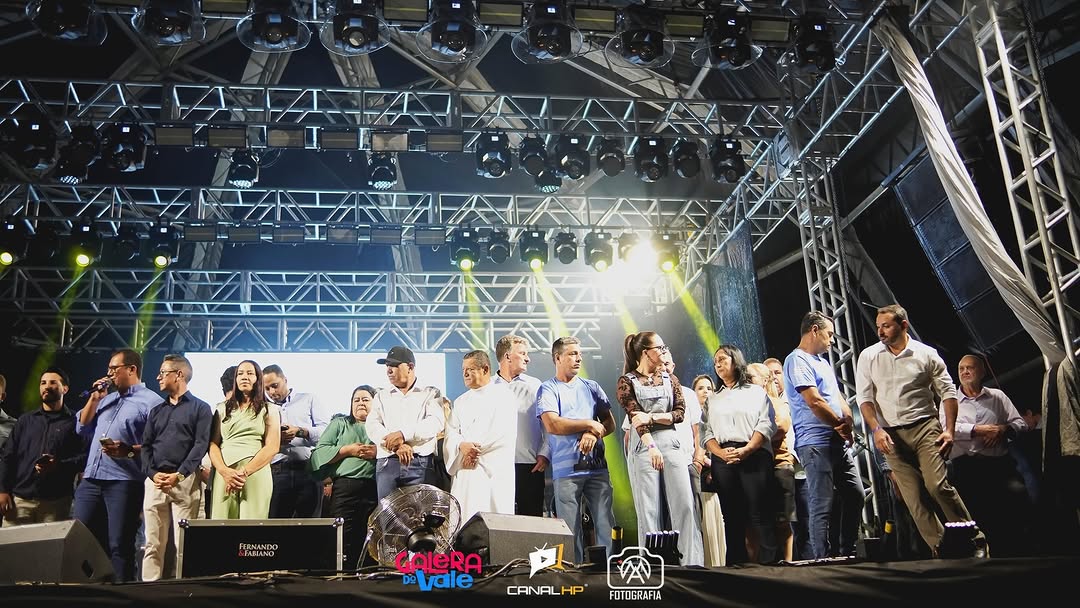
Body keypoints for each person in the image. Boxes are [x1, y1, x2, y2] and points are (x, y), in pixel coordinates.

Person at [855, 304, 987, 557]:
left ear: (903, 325)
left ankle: (974, 540)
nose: (880, 331)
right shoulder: (869, 356)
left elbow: (947, 392)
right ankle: (940, 548)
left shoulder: (926, 354)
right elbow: (865, 398)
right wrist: (876, 430)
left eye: (886, 326)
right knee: (913, 498)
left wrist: (949, 431)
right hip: (890, 435)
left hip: (925, 427)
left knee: (936, 486)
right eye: (879, 326)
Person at [74, 348, 162, 582]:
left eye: (114, 369)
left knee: (119, 544)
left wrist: (129, 450)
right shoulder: (106, 399)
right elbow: (82, 427)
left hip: (124, 482)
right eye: (109, 369)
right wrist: (95, 398)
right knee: (81, 539)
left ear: (132, 369)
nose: (109, 374)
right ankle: (87, 592)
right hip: (91, 480)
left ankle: (122, 593)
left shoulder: (152, 402)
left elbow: (159, 444)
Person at [616, 331, 703, 566]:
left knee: (684, 505)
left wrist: (652, 417)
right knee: (649, 510)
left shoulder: (670, 379)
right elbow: (636, 418)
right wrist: (652, 446)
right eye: (660, 348)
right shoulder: (627, 382)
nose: (664, 351)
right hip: (644, 446)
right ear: (646, 352)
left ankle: (692, 563)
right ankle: (652, 566)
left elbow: (679, 414)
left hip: (671, 443)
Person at [782, 312, 864, 559]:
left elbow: (836, 396)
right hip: (815, 443)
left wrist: (847, 420)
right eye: (829, 334)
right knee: (822, 503)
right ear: (815, 331)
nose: (832, 340)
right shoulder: (797, 360)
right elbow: (814, 401)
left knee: (855, 494)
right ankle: (823, 558)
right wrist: (839, 425)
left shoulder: (823, 363)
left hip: (836, 442)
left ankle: (847, 550)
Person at [537, 336, 616, 564]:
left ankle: (608, 570)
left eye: (580, 354)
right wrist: (588, 424)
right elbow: (553, 424)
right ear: (557, 358)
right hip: (566, 472)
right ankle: (574, 573)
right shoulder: (548, 388)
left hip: (597, 469)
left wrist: (593, 433)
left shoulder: (592, 387)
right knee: (569, 530)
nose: (578, 358)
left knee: (605, 523)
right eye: (572, 354)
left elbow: (609, 423)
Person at [942, 354, 1031, 556]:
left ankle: (1016, 557)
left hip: (999, 466)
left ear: (982, 372)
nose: (965, 372)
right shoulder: (950, 401)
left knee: (1012, 513)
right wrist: (979, 430)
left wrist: (1002, 429)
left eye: (970, 368)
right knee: (978, 518)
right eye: (961, 368)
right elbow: (948, 428)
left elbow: (1021, 423)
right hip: (968, 468)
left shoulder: (997, 396)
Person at [701, 344, 778, 565]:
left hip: (754, 454)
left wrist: (747, 449)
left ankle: (770, 566)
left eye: (723, 359)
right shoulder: (713, 399)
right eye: (715, 361)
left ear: (736, 361)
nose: (718, 364)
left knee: (760, 513)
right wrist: (720, 453)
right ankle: (735, 566)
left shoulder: (756, 392)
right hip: (723, 458)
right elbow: (706, 432)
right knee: (731, 517)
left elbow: (766, 423)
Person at [139, 354, 212, 581]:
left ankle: (183, 587)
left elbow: (200, 445)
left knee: (184, 543)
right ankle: (148, 589)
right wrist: (152, 474)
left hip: (185, 481)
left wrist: (179, 475)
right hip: (155, 482)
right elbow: (146, 446)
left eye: (163, 372)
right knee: (152, 542)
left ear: (179, 375)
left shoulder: (201, 408)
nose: (158, 377)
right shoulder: (157, 411)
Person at [0, 367, 85, 526]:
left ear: (65, 389)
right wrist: (3, 491)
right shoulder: (25, 421)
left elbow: (84, 458)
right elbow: (8, 456)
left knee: (51, 544)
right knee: (11, 542)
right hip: (21, 500)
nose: (46, 386)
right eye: (43, 383)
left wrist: (59, 465)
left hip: (56, 503)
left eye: (53, 382)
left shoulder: (75, 422)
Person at [310, 385, 379, 570]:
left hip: (375, 487)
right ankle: (342, 573)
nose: (360, 403)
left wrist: (378, 451)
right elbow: (319, 453)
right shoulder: (340, 424)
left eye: (365, 399)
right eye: (356, 400)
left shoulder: (382, 426)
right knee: (343, 533)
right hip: (345, 487)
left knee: (370, 534)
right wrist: (347, 450)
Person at [444, 350, 517, 522]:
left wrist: (473, 451)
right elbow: (451, 432)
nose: (465, 374)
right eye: (463, 370)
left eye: (470, 369)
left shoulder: (504, 396)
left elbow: (502, 433)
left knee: (494, 520)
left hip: (492, 470)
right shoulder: (460, 401)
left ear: (485, 369)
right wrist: (461, 446)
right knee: (464, 520)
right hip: (465, 470)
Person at [365, 346, 446, 501]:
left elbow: (435, 422)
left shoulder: (430, 392)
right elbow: (372, 425)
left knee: (421, 513)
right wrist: (396, 446)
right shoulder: (381, 395)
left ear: (410, 367)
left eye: (394, 365)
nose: (389, 370)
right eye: (387, 366)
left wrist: (403, 435)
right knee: (388, 513)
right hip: (388, 462)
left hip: (420, 462)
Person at [208, 360, 281, 519]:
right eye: (240, 373)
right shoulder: (221, 408)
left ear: (258, 379)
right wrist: (224, 471)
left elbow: (273, 447)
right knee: (221, 523)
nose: (244, 377)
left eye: (250, 373)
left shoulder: (269, 409)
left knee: (252, 525)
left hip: (255, 472)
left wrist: (244, 472)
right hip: (225, 474)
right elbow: (213, 444)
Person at [491, 335, 549, 517]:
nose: (528, 358)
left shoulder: (535, 386)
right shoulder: (488, 387)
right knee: (499, 520)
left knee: (532, 522)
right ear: (507, 356)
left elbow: (547, 423)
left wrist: (545, 453)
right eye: (523, 353)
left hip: (530, 465)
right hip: (495, 465)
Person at [263, 364, 329, 519]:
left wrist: (301, 431)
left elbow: (325, 433)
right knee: (276, 525)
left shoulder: (308, 399)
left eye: (275, 386)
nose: (272, 392)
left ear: (285, 380)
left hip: (308, 470)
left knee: (309, 525)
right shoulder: (263, 408)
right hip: (276, 472)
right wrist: (276, 440)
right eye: (267, 388)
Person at [747, 362, 796, 561]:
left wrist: (753, 441)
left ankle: (787, 564)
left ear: (765, 380)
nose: (746, 382)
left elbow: (782, 427)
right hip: (755, 469)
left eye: (750, 378)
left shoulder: (775, 402)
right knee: (756, 523)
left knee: (782, 521)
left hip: (778, 466)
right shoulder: (747, 405)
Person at [692, 374, 726, 567]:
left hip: (719, 474)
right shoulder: (691, 417)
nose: (706, 391)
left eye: (709, 388)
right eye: (701, 388)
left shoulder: (718, 413)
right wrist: (705, 460)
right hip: (701, 476)